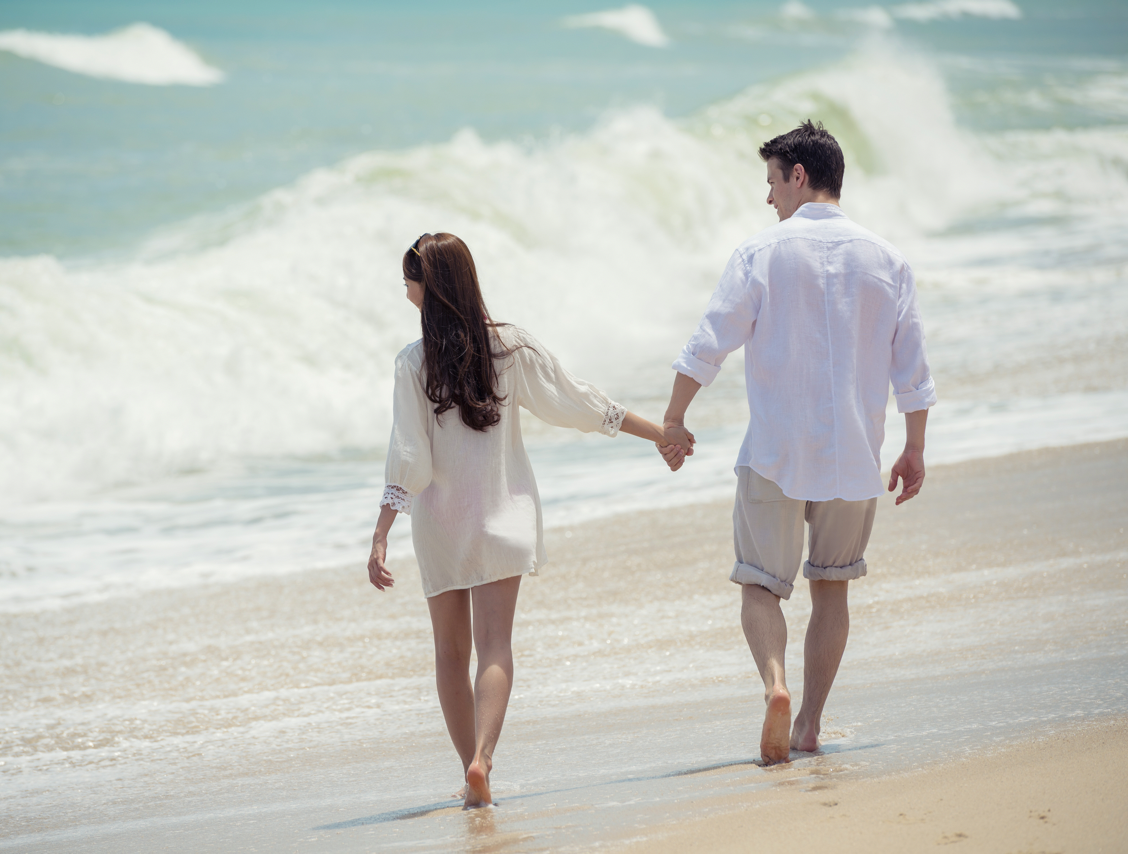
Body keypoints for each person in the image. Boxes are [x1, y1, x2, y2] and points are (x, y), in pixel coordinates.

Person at [367, 232, 689, 808]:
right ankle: (482, 761)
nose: (406, 291)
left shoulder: (412, 363)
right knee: (495, 646)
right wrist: (658, 433)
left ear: (431, 286)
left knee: (449, 652)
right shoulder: (510, 348)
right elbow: (579, 403)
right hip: (503, 516)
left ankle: (471, 776)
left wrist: (382, 529)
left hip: (442, 526)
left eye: (410, 281)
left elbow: (409, 455)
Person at [658, 121, 936, 765]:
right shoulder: (889, 260)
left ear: (799, 176)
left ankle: (776, 687)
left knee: (761, 585)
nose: (769, 199)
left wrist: (673, 421)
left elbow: (708, 344)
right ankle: (809, 724)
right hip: (857, 459)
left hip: (777, 455)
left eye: (772, 182)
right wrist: (914, 446)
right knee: (831, 587)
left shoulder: (761, 253)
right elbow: (912, 370)